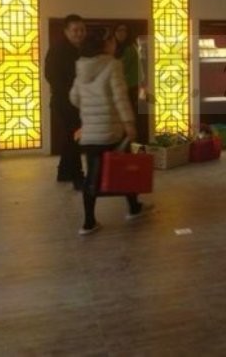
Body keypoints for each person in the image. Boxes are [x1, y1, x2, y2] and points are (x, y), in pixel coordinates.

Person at [69, 32, 150, 235]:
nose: (115, 44)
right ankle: (134, 208)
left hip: (90, 133)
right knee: (126, 169)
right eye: (112, 41)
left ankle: (88, 223)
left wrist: (89, 108)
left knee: (91, 177)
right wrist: (129, 123)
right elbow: (120, 97)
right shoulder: (112, 65)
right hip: (110, 130)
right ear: (104, 44)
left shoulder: (82, 66)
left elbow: (74, 98)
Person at [45, 14, 86, 189]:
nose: (79, 33)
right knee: (75, 137)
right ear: (66, 31)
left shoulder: (83, 49)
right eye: (75, 30)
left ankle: (63, 172)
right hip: (64, 102)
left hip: (78, 102)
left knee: (70, 138)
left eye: (82, 30)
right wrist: (71, 93)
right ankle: (78, 177)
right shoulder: (57, 50)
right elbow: (50, 75)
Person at [112, 23, 141, 118]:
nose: (121, 33)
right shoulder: (115, 47)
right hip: (120, 86)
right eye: (118, 30)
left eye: (124, 30)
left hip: (129, 87)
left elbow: (121, 67)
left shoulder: (130, 48)